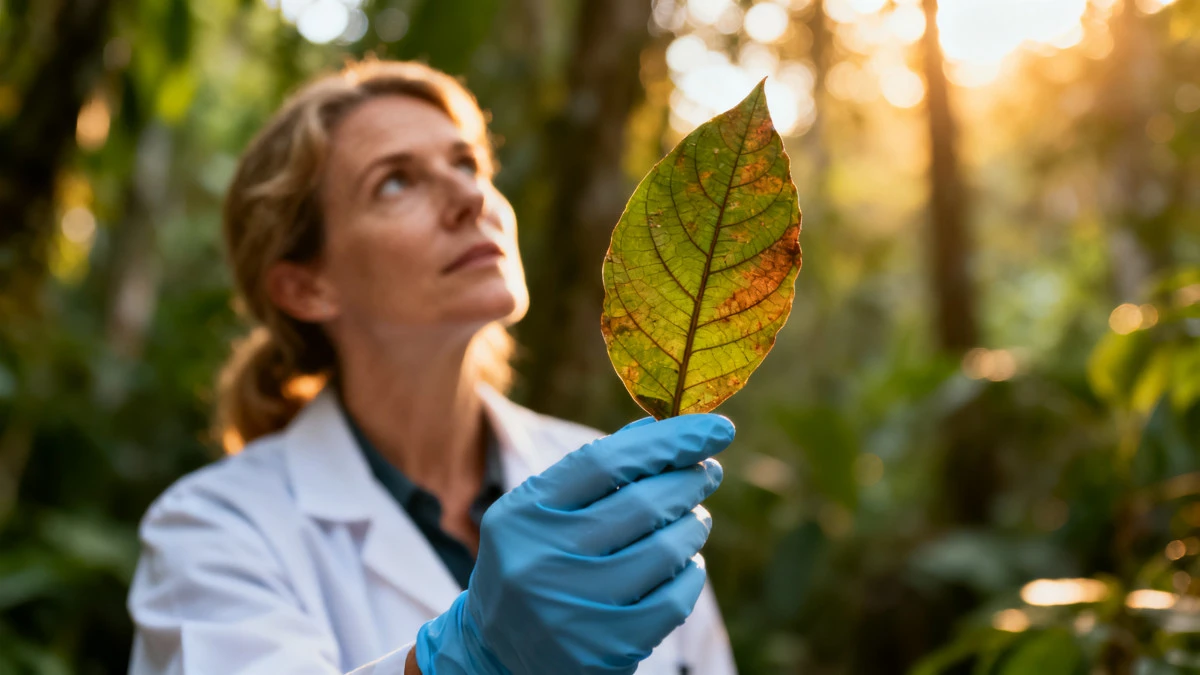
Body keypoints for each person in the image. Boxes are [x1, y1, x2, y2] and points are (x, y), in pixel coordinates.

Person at [126, 59, 739, 675]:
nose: (472, 198)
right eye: (395, 183)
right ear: (306, 288)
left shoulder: (624, 496)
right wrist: (471, 657)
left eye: (468, 164)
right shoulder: (214, 527)